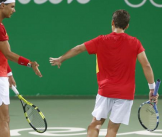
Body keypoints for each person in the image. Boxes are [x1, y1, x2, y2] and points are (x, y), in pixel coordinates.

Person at [49, 9, 159, 137]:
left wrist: (61, 59)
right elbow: (146, 65)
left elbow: (78, 48)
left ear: (112, 22)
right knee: (112, 130)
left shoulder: (101, 40)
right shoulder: (135, 42)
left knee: (95, 123)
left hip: (105, 90)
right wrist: (151, 89)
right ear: (127, 26)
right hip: (125, 93)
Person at [0, 0, 42, 137]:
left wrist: (8, 73)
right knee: (4, 119)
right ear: (2, 6)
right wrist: (29, 63)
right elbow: (8, 54)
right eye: (12, 7)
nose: (14, 10)